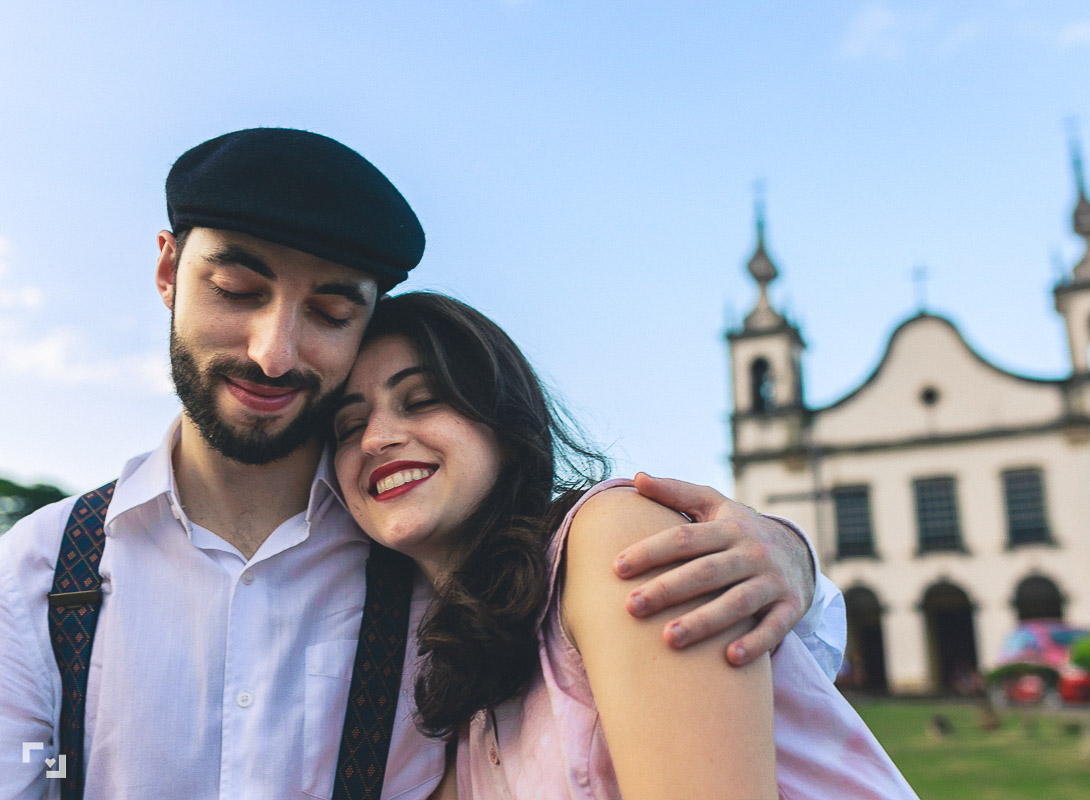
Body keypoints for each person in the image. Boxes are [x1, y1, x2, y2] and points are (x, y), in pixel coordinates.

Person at [0, 128, 845, 799]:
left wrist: (790, 558)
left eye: (330, 311)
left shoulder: (431, 560)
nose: (273, 351)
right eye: (236, 290)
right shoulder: (36, 576)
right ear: (166, 270)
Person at [332, 292, 917, 799]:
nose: (376, 438)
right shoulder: (457, 667)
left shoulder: (614, 540)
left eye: (421, 400)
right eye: (349, 427)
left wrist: (795, 553)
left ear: (504, 426)